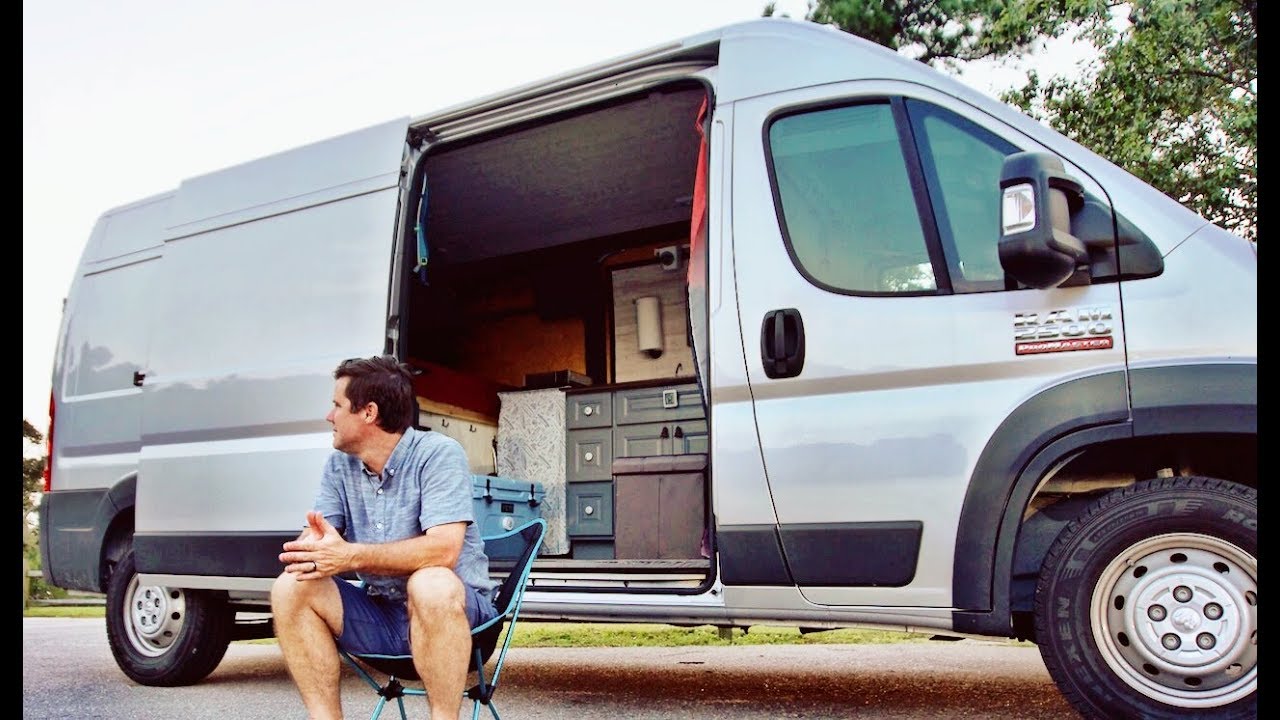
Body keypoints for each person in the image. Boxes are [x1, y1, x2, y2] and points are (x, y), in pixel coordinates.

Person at [271, 355, 495, 720]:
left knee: (431, 582)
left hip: (458, 618)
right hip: (383, 618)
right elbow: (316, 539)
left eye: (337, 405)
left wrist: (350, 556)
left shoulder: (438, 454)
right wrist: (311, 550)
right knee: (291, 586)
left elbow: (445, 550)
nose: (329, 416)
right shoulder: (339, 465)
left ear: (368, 413)